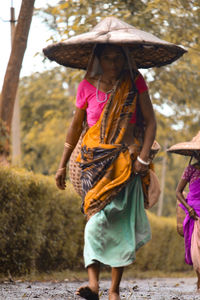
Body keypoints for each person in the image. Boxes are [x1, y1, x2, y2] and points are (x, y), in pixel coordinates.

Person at [55, 43, 156, 300]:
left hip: (126, 164)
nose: (114, 63)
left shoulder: (135, 82)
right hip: (94, 166)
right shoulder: (86, 85)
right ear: (98, 60)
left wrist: (143, 159)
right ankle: (93, 285)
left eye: (118, 58)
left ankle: (114, 290)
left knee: (120, 226)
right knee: (94, 222)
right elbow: (75, 127)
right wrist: (62, 164)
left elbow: (151, 121)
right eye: (108, 58)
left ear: (125, 59)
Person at [176, 151, 200, 291]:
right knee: (196, 251)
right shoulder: (190, 169)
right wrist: (188, 209)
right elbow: (178, 192)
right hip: (194, 214)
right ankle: (199, 279)